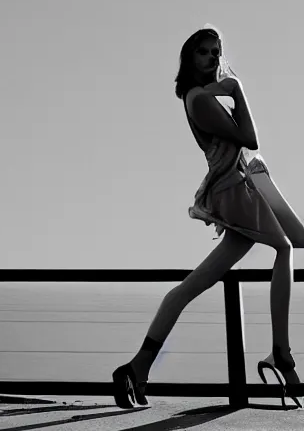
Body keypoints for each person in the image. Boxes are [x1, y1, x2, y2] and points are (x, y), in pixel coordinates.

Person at [112, 26, 304, 410]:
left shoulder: (202, 96)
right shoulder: (199, 99)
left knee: (193, 286)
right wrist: (237, 90)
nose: (214, 58)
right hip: (232, 191)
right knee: (283, 248)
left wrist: (230, 92)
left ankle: (135, 368)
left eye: (218, 51)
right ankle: (281, 353)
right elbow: (249, 138)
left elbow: (242, 144)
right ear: (190, 57)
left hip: (238, 186)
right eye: (205, 52)